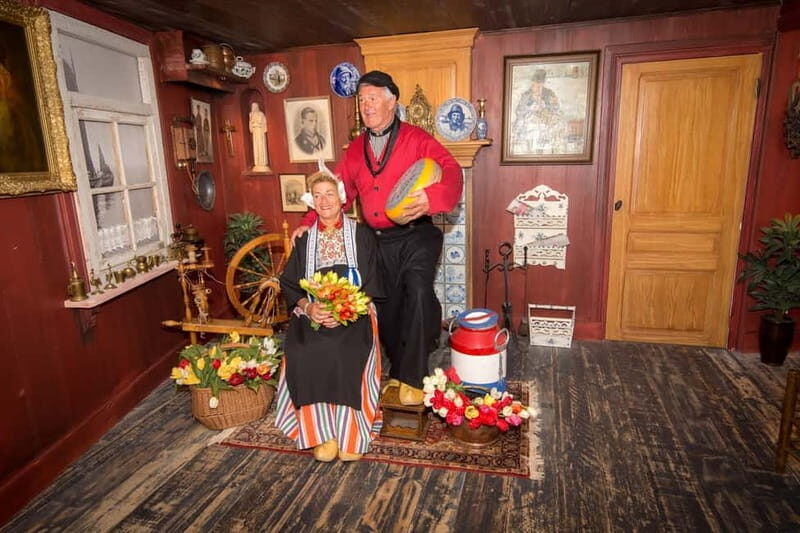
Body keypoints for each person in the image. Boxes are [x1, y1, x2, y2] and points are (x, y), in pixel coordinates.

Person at [293, 70, 462, 406]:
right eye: (362, 100)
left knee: (417, 291)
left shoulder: (417, 138)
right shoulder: (356, 149)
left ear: (392, 101)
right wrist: (309, 221)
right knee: (386, 305)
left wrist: (433, 197)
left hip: (416, 235)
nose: (366, 105)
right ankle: (399, 369)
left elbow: (452, 169)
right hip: (374, 241)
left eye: (373, 98)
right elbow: (337, 190)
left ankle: (413, 378)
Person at [276, 170, 384, 462]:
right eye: (318, 195)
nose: (324, 201)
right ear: (312, 202)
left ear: (342, 198)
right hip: (314, 312)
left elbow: (373, 282)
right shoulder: (304, 240)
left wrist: (347, 309)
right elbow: (289, 284)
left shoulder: (362, 235)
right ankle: (322, 434)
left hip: (355, 311)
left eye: (330, 194)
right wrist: (309, 308)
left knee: (343, 349)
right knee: (304, 349)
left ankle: (351, 434)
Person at [511, 69, 566, 154]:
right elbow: (519, 111)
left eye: (540, 86)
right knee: (532, 128)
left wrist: (554, 105)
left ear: (543, 84)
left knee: (556, 125)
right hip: (530, 121)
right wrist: (531, 106)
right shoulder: (526, 95)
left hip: (547, 120)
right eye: (535, 85)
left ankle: (552, 153)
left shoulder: (549, 93)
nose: (537, 88)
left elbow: (557, 110)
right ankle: (532, 153)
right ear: (532, 83)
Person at [248, 102, 269, 171]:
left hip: (260, 131)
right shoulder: (251, 114)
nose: (254, 108)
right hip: (255, 132)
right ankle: (257, 163)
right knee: (256, 146)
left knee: (261, 146)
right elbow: (250, 125)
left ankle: (262, 162)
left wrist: (263, 128)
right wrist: (252, 126)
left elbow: (264, 123)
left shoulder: (261, 114)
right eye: (253, 106)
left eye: (255, 106)